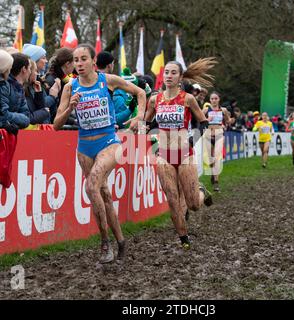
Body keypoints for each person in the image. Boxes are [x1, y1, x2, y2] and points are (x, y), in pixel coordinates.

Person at [53, 44, 146, 264]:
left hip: (109, 142)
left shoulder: (108, 80)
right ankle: (121, 240)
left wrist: (139, 116)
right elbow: (57, 124)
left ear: (93, 61)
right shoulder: (70, 87)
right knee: (103, 194)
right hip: (84, 147)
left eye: (83, 59)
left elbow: (141, 93)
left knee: (91, 185)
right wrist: (69, 109)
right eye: (75, 60)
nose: (79, 64)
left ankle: (105, 243)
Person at [144, 58, 216, 250]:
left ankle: (201, 191)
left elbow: (203, 123)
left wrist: (192, 141)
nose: (168, 76)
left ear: (180, 77)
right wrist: (146, 132)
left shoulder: (187, 99)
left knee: (192, 204)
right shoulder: (154, 99)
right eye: (166, 72)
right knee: (173, 199)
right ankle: (184, 239)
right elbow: (147, 123)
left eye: (173, 72)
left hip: (185, 154)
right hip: (164, 155)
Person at [203, 91, 230, 191]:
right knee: (211, 160)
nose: (214, 100)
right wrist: (207, 120)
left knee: (217, 157)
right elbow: (199, 121)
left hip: (219, 134)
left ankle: (216, 182)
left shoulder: (223, 110)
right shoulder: (205, 110)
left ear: (219, 99)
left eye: (216, 99)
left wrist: (226, 124)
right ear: (209, 100)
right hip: (208, 135)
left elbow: (228, 120)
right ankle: (213, 174)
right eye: (212, 99)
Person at [0, 52, 30, 133]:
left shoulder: (20, 88)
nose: (9, 71)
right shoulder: (4, 85)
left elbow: (27, 117)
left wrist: (13, 124)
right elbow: (3, 115)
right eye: (8, 68)